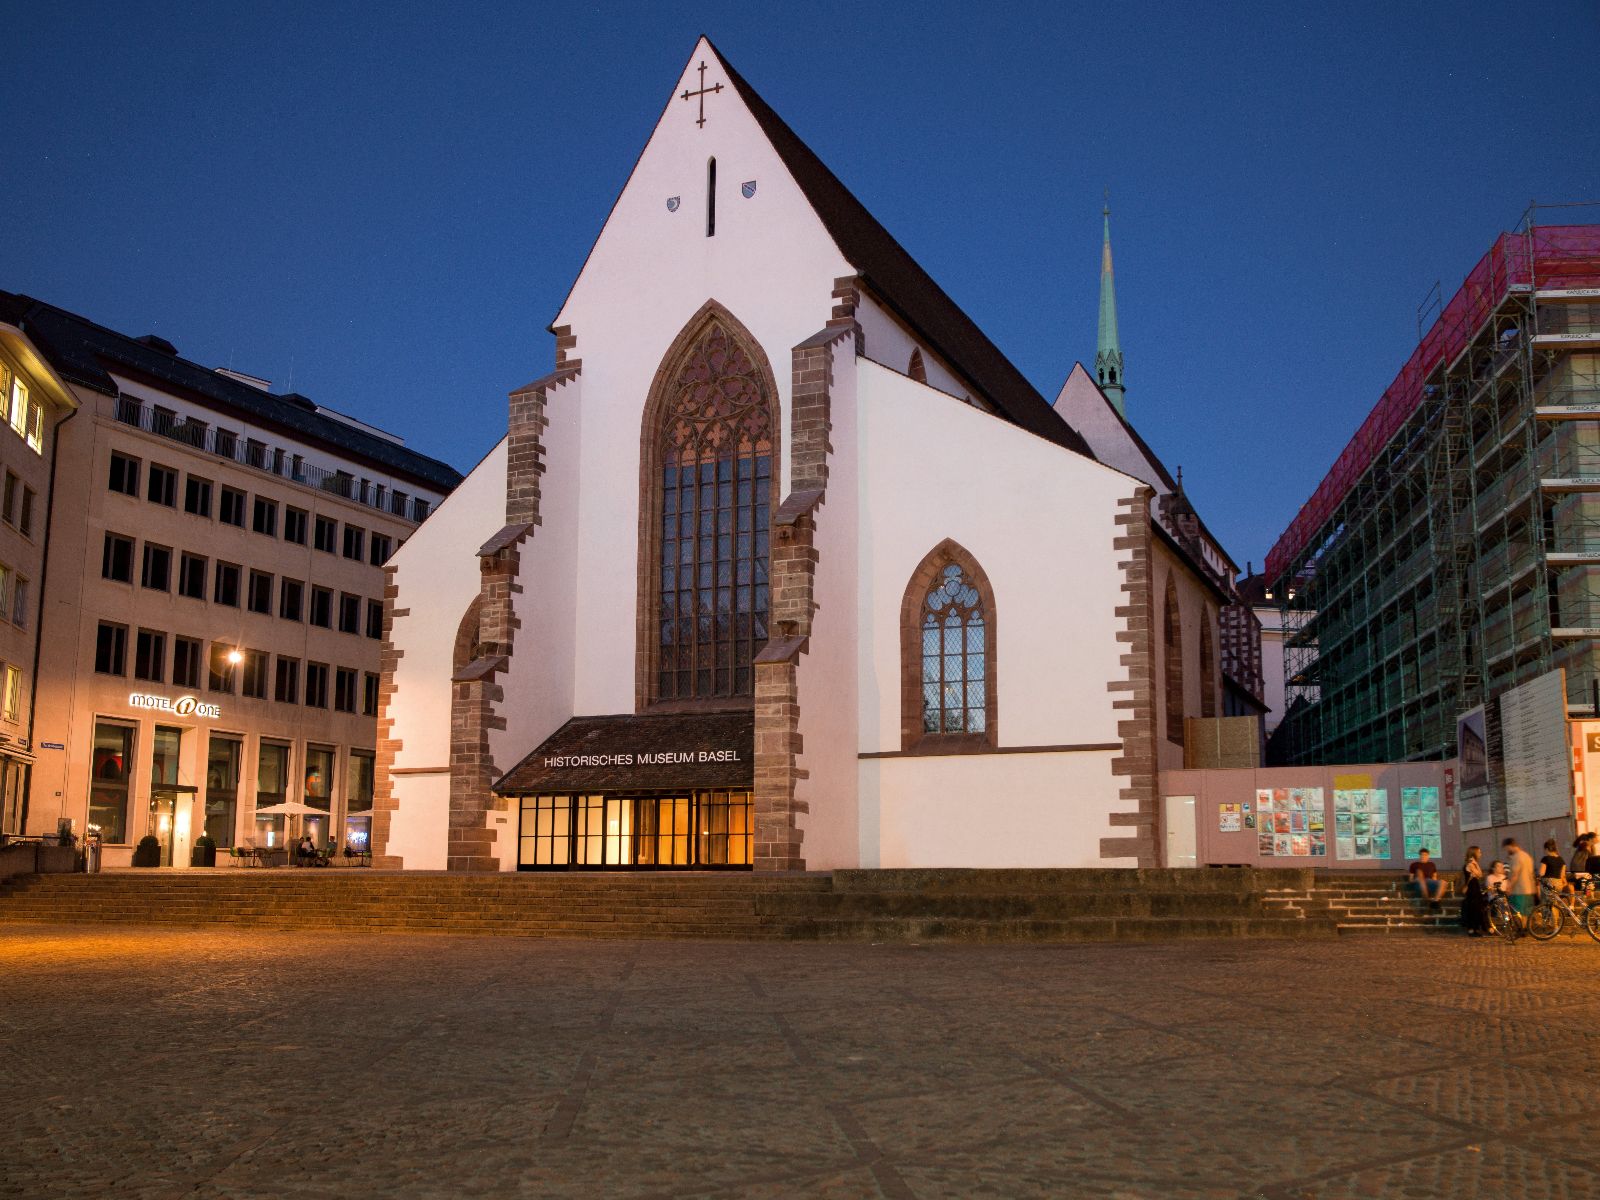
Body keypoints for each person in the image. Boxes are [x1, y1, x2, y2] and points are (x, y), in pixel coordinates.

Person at [1503, 838, 1537, 926]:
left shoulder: (1516, 857)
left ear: (1510, 846)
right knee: (1526, 911)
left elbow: (1515, 875)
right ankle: (1525, 928)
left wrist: (1509, 887)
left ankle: (1521, 928)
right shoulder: (1527, 856)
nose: (1507, 851)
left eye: (1507, 848)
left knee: (1518, 911)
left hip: (1519, 889)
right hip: (1529, 888)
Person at [1460, 845, 1489, 936]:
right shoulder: (1470, 864)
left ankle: (1474, 929)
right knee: (1474, 909)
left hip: (1474, 888)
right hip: (1472, 889)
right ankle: (1473, 930)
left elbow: (1480, 874)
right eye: (1479, 852)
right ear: (1474, 853)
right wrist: (1476, 864)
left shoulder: (1472, 863)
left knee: (1475, 908)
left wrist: (1476, 864)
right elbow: (1480, 875)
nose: (1480, 854)